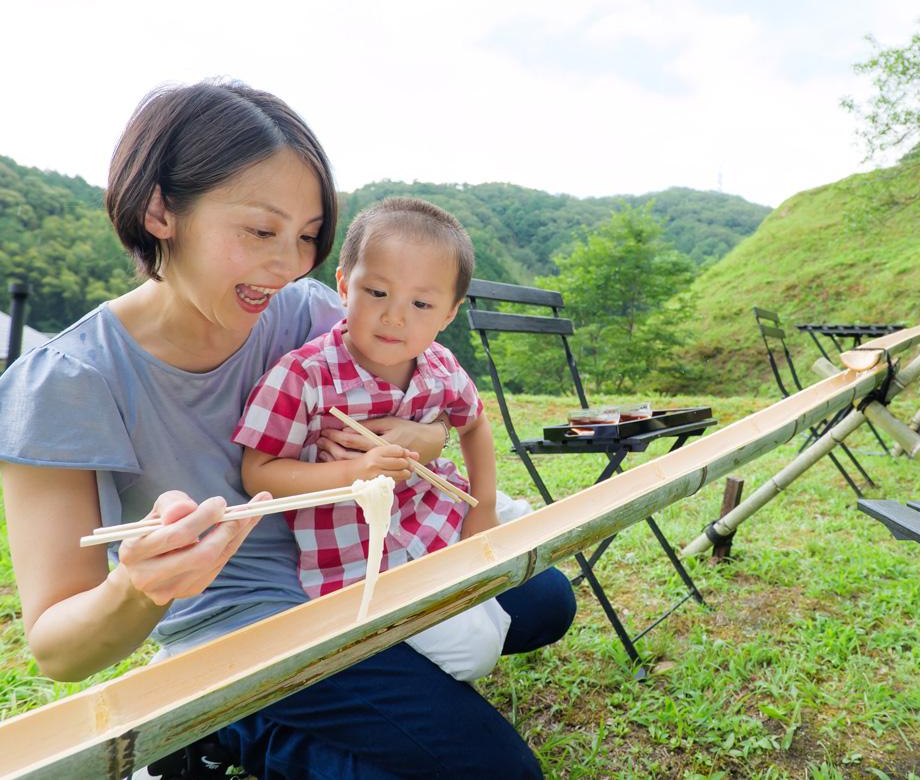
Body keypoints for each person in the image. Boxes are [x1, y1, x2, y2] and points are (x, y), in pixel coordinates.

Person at [0, 80, 575, 778]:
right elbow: (58, 650)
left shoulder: (302, 309)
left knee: (547, 601)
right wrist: (140, 587)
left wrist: (419, 439)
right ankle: (235, 725)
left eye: (306, 238)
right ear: (160, 211)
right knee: (502, 774)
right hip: (247, 624)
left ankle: (288, 713)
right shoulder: (67, 383)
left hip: (356, 562)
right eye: (261, 232)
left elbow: (430, 403)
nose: (289, 265)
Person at [233, 196, 509, 681]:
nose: (395, 317)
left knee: (523, 533)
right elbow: (257, 471)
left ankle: (444, 612)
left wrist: (482, 506)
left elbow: (475, 423)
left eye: (421, 303)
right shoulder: (304, 376)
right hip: (358, 552)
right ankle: (395, 650)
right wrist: (351, 472)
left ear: (449, 313)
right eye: (377, 292)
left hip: (435, 515)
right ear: (343, 285)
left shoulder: (440, 365)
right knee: (478, 650)